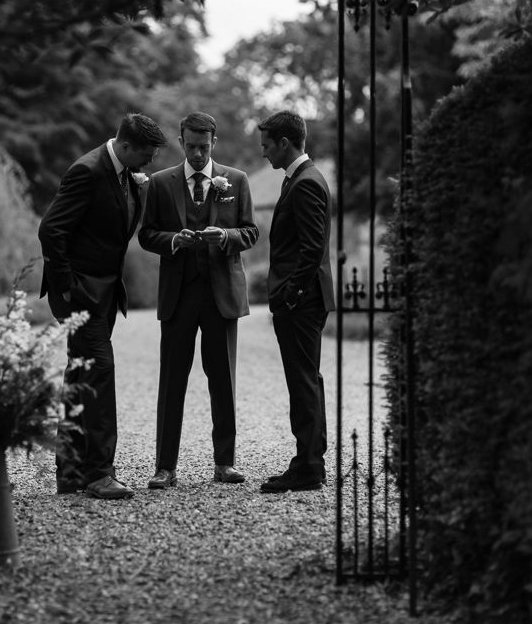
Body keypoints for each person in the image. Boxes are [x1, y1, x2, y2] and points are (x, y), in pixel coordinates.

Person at [39, 112, 167, 499]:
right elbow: (51, 229)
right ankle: (98, 473)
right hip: (81, 296)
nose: (150, 163)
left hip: (105, 294)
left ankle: (70, 472)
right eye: (146, 154)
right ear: (126, 146)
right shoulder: (88, 171)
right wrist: (69, 289)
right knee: (99, 373)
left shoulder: (125, 175)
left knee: (80, 379)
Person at [138, 111, 259, 489]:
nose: (196, 153)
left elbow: (251, 231)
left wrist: (225, 237)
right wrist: (173, 241)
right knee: (172, 381)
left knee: (223, 381)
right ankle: (165, 467)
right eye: (190, 146)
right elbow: (147, 235)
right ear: (181, 141)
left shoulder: (236, 180)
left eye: (203, 147)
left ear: (214, 143)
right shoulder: (159, 183)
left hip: (221, 295)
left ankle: (225, 463)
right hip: (179, 294)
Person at [257, 110, 335, 493]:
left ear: (285, 142)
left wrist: (291, 294)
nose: (264, 152)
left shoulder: (305, 183)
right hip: (303, 299)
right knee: (307, 379)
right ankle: (310, 459)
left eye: (268, 145)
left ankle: (308, 466)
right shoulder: (302, 178)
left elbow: (312, 247)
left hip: (301, 302)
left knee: (303, 381)